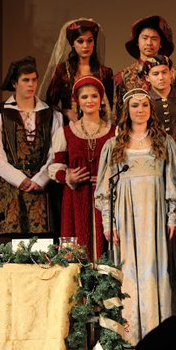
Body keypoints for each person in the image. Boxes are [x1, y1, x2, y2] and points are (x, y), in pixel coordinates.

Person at [94, 87, 176, 345]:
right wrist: (107, 221)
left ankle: (159, 335)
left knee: (157, 268)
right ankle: (131, 335)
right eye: (135, 106)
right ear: (127, 110)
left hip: (155, 215)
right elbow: (105, 189)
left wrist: (173, 216)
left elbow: (172, 181)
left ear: (150, 110)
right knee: (129, 270)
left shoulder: (163, 142)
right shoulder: (114, 145)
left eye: (144, 105)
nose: (140, 110)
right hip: (125, 214)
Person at [0, 56, 63, 237]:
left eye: (34, 79)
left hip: (41, 188)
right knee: (9, 244)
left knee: (43, 246)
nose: (31, 84)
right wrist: (20, 179)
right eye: (26, 80)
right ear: (14, 83)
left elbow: (55, 152)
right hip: (10, 188)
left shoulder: (51, 114)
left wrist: (40, 180)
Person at [49, 76, 115, 259]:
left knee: (105, 247)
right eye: (84, 97)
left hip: (107, 197)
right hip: (75, 197)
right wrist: (67, 177)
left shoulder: (114, 132)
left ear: (101, 99)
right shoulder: (66, 132)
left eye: (94, 96)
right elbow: (56, 167)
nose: (90, 100)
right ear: (77, 101)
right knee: (75, 249)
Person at [113, 15, 176, 118]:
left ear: (160, 43)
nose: (149, 43)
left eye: (154, 39)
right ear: (137, 42)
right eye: (145, 38)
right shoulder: (123, 78)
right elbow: (119, 116)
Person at [40, 18, 114, 123]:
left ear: (94, 43)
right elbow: (49, 103)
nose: (85, 46)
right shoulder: (62, 71)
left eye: (90, 40)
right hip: (70, 126)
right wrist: (66, 112)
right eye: (80, 41)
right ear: (73, 43)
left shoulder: (105, 72)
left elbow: (108, 106)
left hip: (98, 127)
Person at [141, 55, 176, 164]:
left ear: (171, 73)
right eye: (155, 74)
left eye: (164, 72)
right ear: (147, 78)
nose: (161, 77)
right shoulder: (144, 103)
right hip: (153, 161)